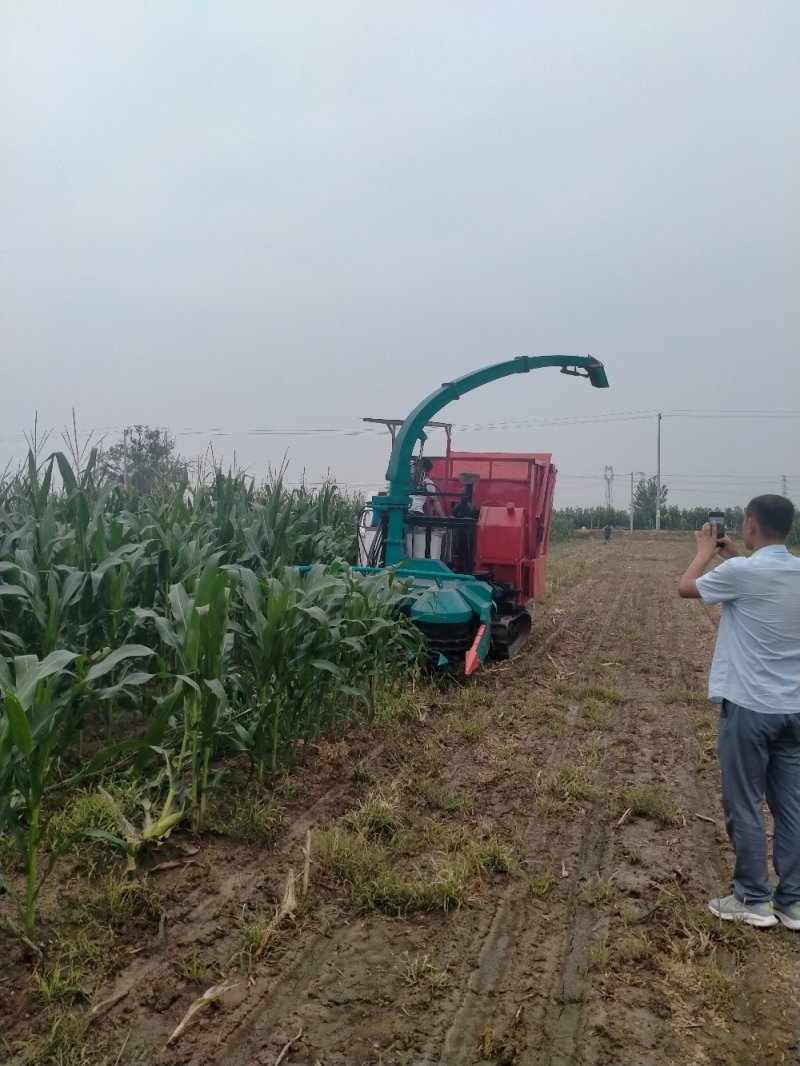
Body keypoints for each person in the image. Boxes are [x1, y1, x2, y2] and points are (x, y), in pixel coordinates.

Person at [678, 495, 800, 929]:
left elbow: (686, 587)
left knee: (745, 803)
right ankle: (793, 902)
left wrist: (704, 552)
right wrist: (732, 555)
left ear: (750, 524)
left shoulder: (741, 573)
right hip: (794, 711)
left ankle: (752, 897)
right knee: (791, 807)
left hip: (749, 708)